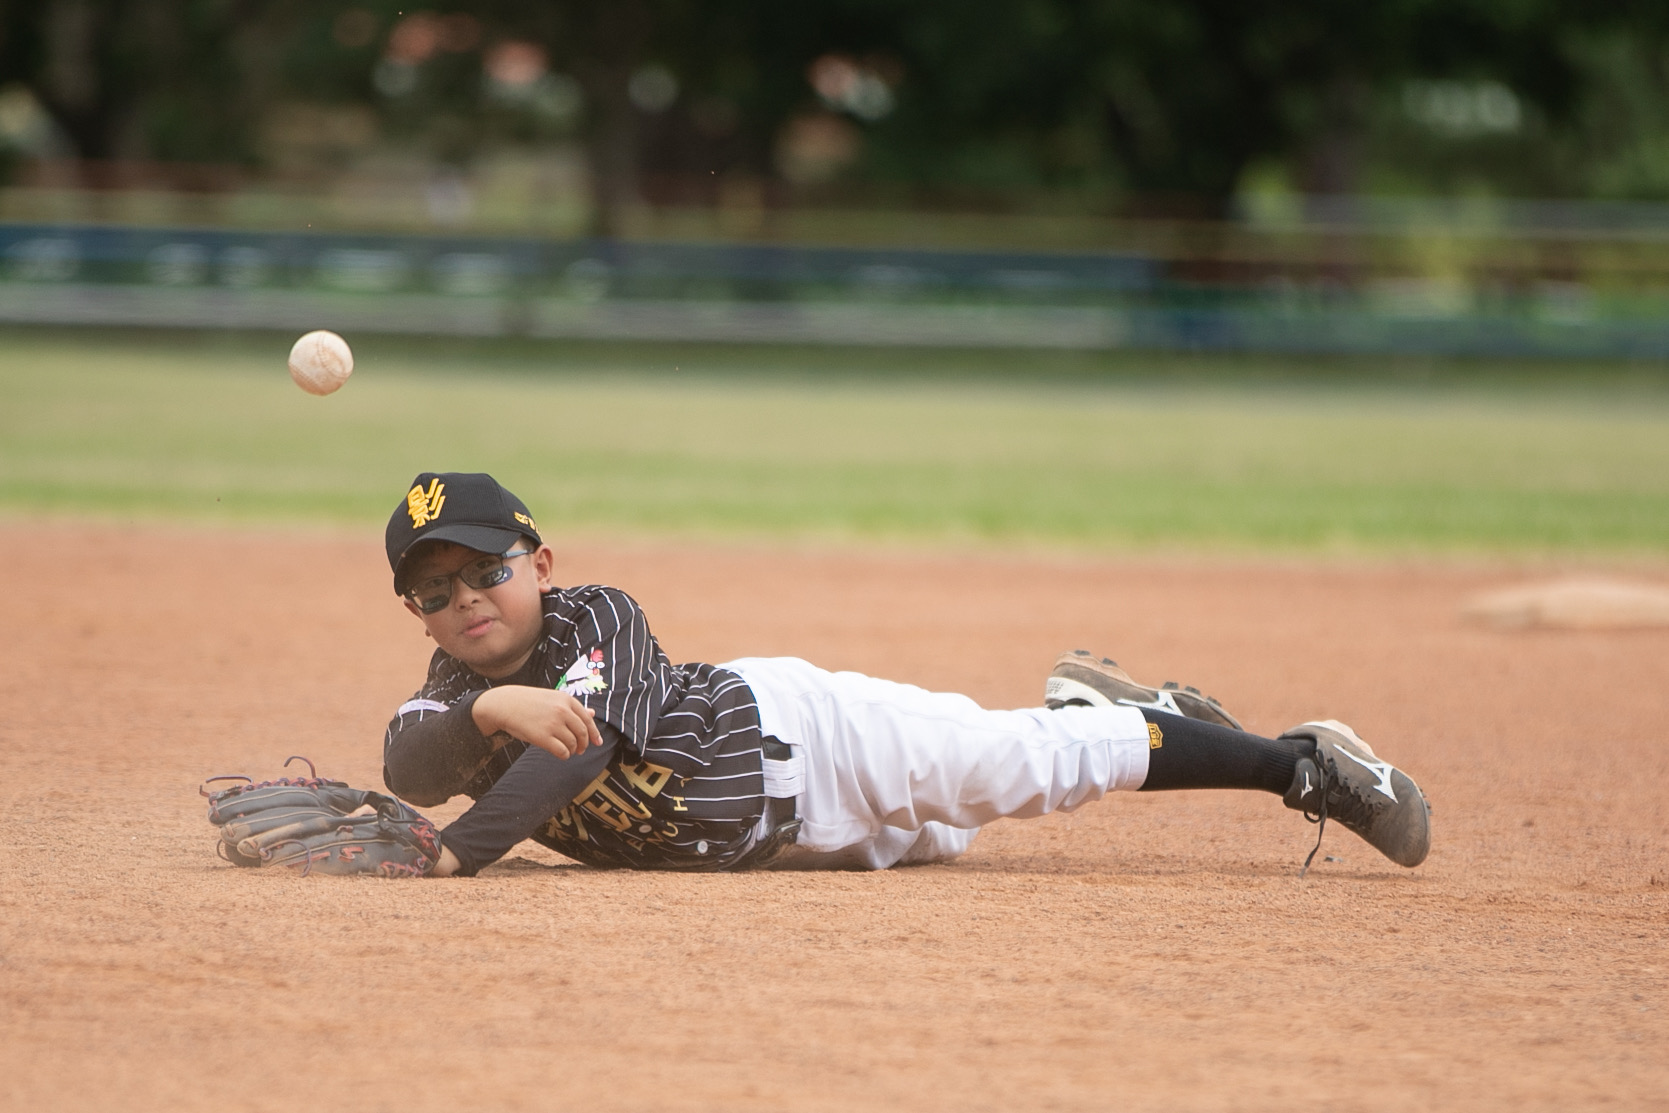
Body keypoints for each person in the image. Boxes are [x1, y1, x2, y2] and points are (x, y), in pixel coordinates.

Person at [382, 471, 1430, 878]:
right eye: (434, 591)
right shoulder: (450, 691)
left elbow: (572, 753)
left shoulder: (598, 617)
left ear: (541, 566)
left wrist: (453, 855)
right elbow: (411, 759)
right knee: (956, 834)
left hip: (815, 737)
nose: (465, 599)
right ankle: (1103, 707)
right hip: (791, 843)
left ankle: (1302, 765)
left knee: (1036, 768)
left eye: (487, 570)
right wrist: (478, 709)